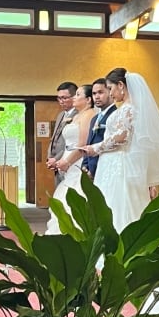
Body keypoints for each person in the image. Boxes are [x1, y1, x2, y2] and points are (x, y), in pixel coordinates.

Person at [82, 68, 159, 232]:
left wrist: (95, 148)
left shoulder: (129, 109)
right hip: (113, 162)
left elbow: (121, 138)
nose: (111, 94)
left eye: (111, 89)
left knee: (119, 203)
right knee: (112, 202)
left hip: (119, 162)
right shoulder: (127, 107)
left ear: (121, 85)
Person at [44, 84, 95, 234]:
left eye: (77, 95)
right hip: (65, 164)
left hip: (76, 162)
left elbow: (82, 144)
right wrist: (53, 159)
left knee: (74, 199)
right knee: (62, 200)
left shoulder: (89, 115)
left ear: (88, 99)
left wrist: (66, 161)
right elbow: (58, 140)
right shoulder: (72, 116)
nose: (74, 98)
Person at [81, 78, 117, 179]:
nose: (96, 97)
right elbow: (89, 143)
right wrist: (85, 166)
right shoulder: (94, 119)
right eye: (94, 93)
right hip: (91, 170)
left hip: (106, 168)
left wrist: (93, 170)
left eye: (100, 92)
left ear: (110, 92)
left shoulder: (116, 115)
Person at [46, 81, 78, 186]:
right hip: (56, 163)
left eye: (64, 98)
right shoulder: (60, 115)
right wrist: (50, 157)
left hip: (69, 160)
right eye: (59, 98)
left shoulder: (79, 114)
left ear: (74, 97)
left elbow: (73, 143)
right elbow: (55, 137)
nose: (61, 101)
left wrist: (57, 159)